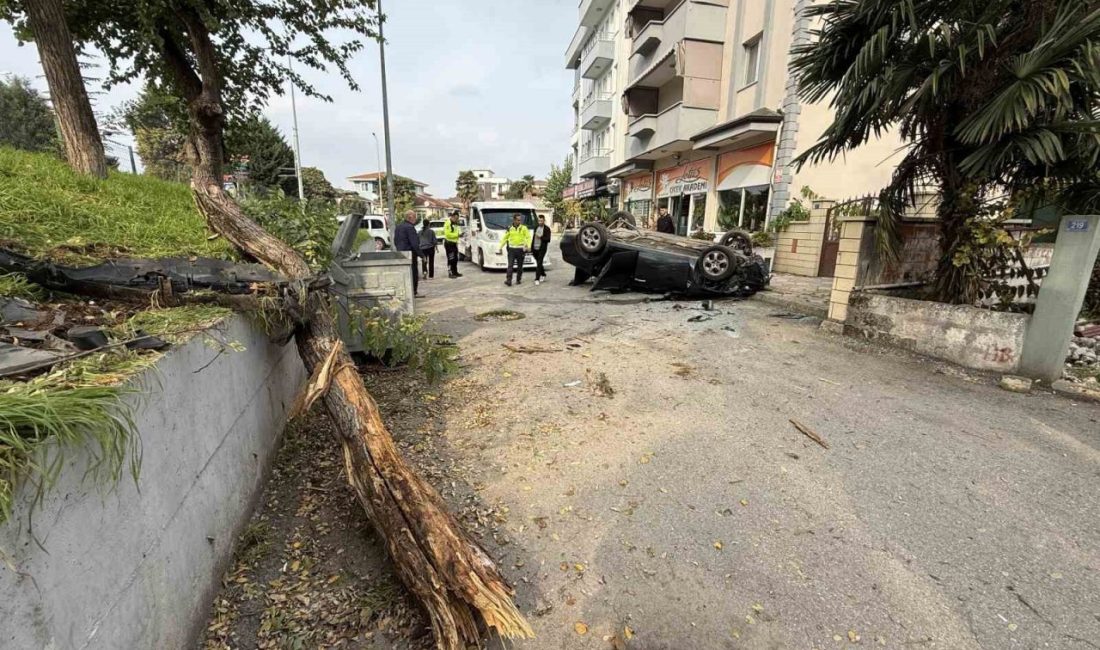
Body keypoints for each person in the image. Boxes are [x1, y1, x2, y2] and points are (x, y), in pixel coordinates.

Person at [394, 210, 422, 296]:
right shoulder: (410, 227)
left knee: (404, 274)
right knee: (413, 273)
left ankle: (406, 292)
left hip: (401, 253)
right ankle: (414, 292)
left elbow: (395, 240)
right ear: (410, 217)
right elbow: (414, 244)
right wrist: (422, 255)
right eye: (414, 217)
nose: (415, 219)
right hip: (410, 254)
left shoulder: (398, 226)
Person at [498, 213, 530, 286]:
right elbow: (505, 238)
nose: (519, 221)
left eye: (520, 220)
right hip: (511, 249)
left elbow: (528, 237)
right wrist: (500, 247)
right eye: (518, 220)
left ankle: (518, 279)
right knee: (510, 265)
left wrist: (528, 246)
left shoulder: (524, 228)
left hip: (520, 249)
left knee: (520, 266)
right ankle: (509, 280)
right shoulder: (510, 228)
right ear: (514, 220)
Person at [531, 214, 552, 285]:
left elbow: (548, 239)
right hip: (534, 248)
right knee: (539, 263)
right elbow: (533, 238)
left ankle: (537, 279)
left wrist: (541, 237)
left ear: (544, 221)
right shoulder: (536, 227)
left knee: (539, 262)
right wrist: (531, 247)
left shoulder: (547, 229)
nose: (540, 222)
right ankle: (543, 274)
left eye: (541, 221)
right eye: (539, 221)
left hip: (542, 249)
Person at [443, 210, 463, 278]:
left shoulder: (455, 223)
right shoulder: (447, 223)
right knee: (450, 259)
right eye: (456, 218)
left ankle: (455, 272)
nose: (457, 219)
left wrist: (460, 234)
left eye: (457, 218)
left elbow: (457, 231)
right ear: (452, 217)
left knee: (455, 259)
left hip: (454, 243)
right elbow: (447, 234)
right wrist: (457, 235)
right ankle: (450, 273)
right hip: (449, 244)